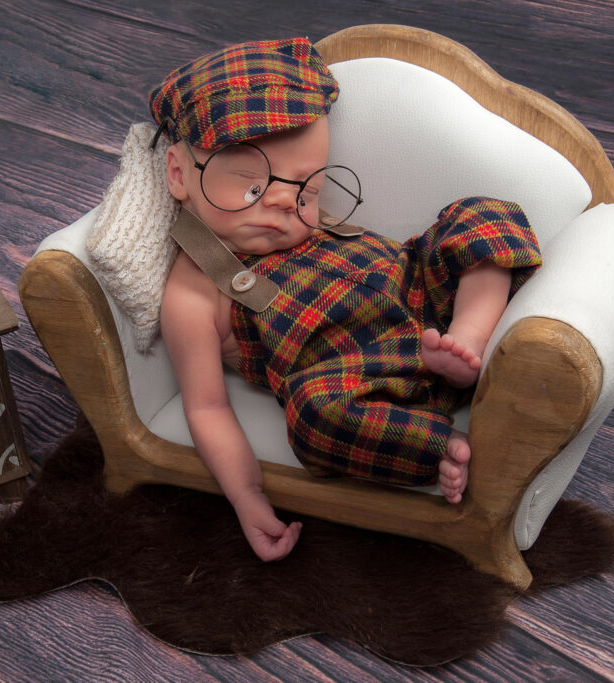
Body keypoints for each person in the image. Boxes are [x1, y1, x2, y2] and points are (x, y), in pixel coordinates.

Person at [150, 38, 541, 562]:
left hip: (424, 305)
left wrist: (452, 321)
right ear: (179, 174)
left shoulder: (317, 227)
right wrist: (247, 496)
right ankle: (431, 444)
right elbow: (207, 407)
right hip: (360, 375)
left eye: (306, 192)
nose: (285, 204)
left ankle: (469, 334)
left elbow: (428, 252)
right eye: (252, 189)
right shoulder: (193, 291)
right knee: (311, 415)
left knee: (482, 214)